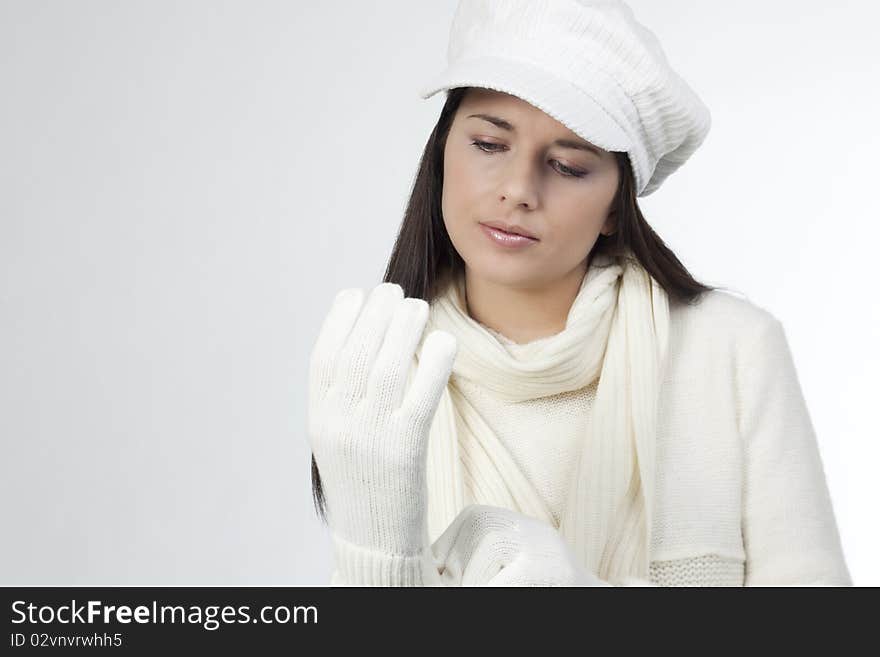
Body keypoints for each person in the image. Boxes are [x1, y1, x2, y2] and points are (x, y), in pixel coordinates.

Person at [306, 0, 853, 586]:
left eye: (567, 166)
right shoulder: (379, 372)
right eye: (489, 145)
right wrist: (375, 559)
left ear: (616, 209)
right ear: (442, 156)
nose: (518, 190)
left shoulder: (730, 349)